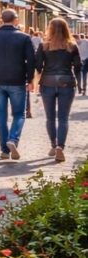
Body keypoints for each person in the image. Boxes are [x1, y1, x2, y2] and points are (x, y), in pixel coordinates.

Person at [0, 9, 37, 161]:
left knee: (1, 115)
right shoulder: (24, 38)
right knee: (19, 114)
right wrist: (30, 79)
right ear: (16, 20)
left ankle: (4, 150)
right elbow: (31, 60)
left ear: (1, 19)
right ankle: (13, 139)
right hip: (17, 80)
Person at [35, 18, 81, 163]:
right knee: (63, 118)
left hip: (48, 82)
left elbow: (38, 66)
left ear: (50, 29)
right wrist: (78, 83)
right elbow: (78, 66)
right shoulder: (72, 46)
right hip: (66, 82)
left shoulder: (44, 46)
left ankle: (53, 145)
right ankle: (60, 146)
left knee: (50, 117)